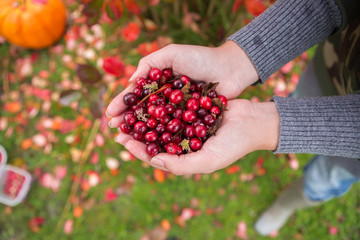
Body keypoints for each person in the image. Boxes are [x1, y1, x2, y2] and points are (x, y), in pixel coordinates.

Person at [106, 0, 360, 235]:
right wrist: (235, 60)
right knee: (304, 95)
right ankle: (292, 188)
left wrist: (268, 127)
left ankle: (294, 201)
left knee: (329, 177)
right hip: (334, 66)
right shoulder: (181, 109)